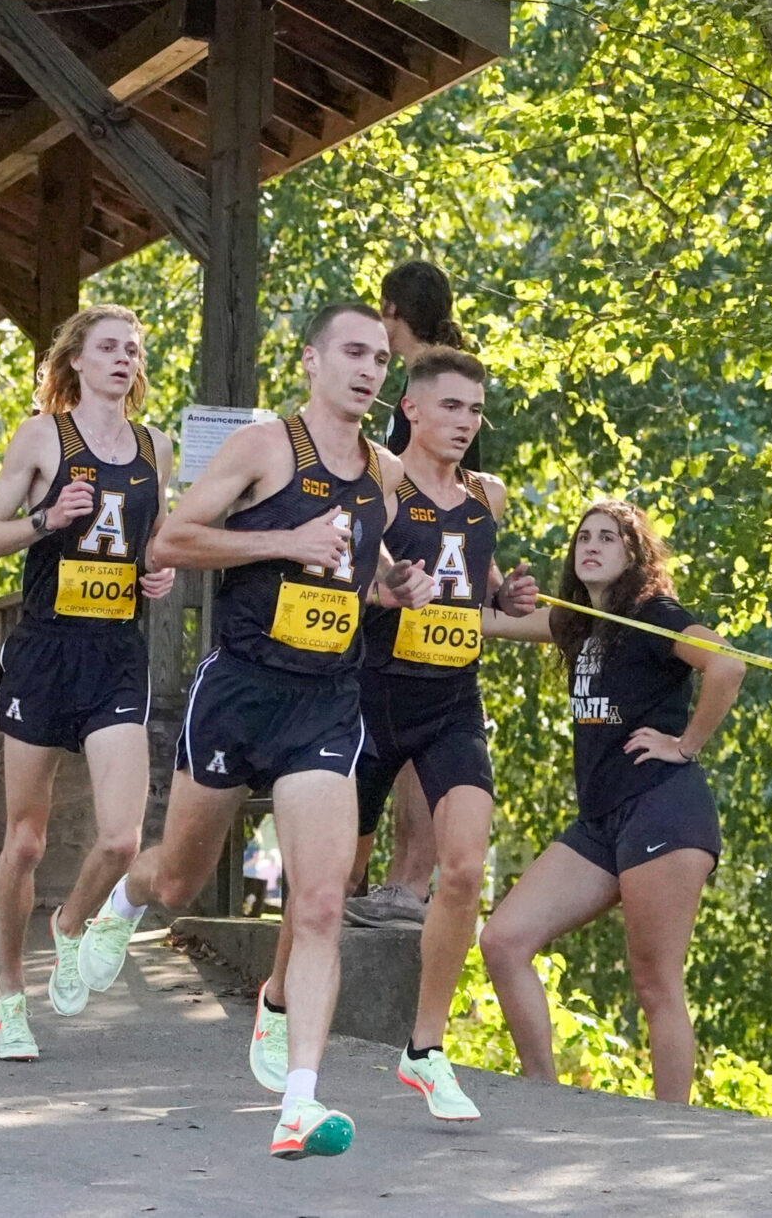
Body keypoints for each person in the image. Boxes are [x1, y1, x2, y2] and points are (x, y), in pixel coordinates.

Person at [76, 302, 436, 1158]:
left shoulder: (384, 472)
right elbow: (169, 542)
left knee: (321, 900)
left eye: (379, 358)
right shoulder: (264, 447)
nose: (369, 370)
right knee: (179, 876)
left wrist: (396, 586)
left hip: (325, 701)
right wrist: (284, 540)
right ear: (312, 359)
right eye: (353, 353)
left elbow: (363, 564)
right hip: (240, 689)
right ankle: (126, 899)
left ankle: (299, 1102)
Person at [252, 348, 538, 1121]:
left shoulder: (487, 495)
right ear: (411, 408)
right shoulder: (379, 479)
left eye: (475, 410)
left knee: (465, 868)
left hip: (450, 704)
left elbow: (475, 585)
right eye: (451, 406)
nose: (466, 422)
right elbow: (343, 572)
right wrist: (385, 589)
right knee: (331, 880)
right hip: (367, 702)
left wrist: (506, 595)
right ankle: (277, 998)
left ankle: (426, 1047)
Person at [0, 305, 176, 1062]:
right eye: (109, 347)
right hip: (45, 652)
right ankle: (9, 998)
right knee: (26, 841)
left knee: (121, 838)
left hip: (115, 651)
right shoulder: (42, 437)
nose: (124, 358)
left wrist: (156, 571)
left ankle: (71, 923)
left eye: (133, 349)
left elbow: (154, 539)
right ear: (77, 360)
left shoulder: (156, 447)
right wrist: (46, 519)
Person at [478, 500, 745, 1104]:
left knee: (655, 985)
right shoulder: (576, 623)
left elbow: (727, 666)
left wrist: (685, 745)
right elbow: (484, 624)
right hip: (601, 823)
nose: (591, 547)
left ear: (633, 555)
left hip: (662, 810)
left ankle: (669, 1130)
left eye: (607, 538)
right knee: (503, 941)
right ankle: (544, 1096)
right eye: (583, 538)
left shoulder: (655, 615)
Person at [354, 260, 478, 931]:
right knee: (385, 735)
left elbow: (454, 491)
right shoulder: (427, 382)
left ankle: (406, 884)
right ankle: (368, 880)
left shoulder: (434, 387)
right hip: (400, 581)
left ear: (391, 310)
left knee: (415, 734)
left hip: (427, 579)